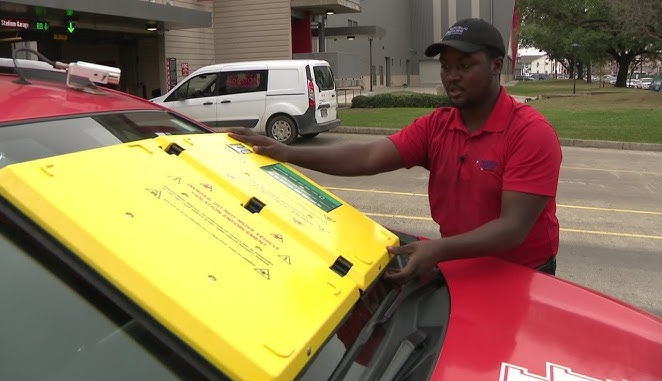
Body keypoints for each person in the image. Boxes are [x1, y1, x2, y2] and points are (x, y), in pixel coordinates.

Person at [228, 18, 562, 282]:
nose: (452, 77)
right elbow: (368, 156)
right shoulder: (438, 125)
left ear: (495, 65)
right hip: (459, 264)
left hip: (524, 274)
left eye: (464, 65)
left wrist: (437, 251)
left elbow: (512, 229)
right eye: (446, 66)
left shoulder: (530, 133)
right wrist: (286, 153)